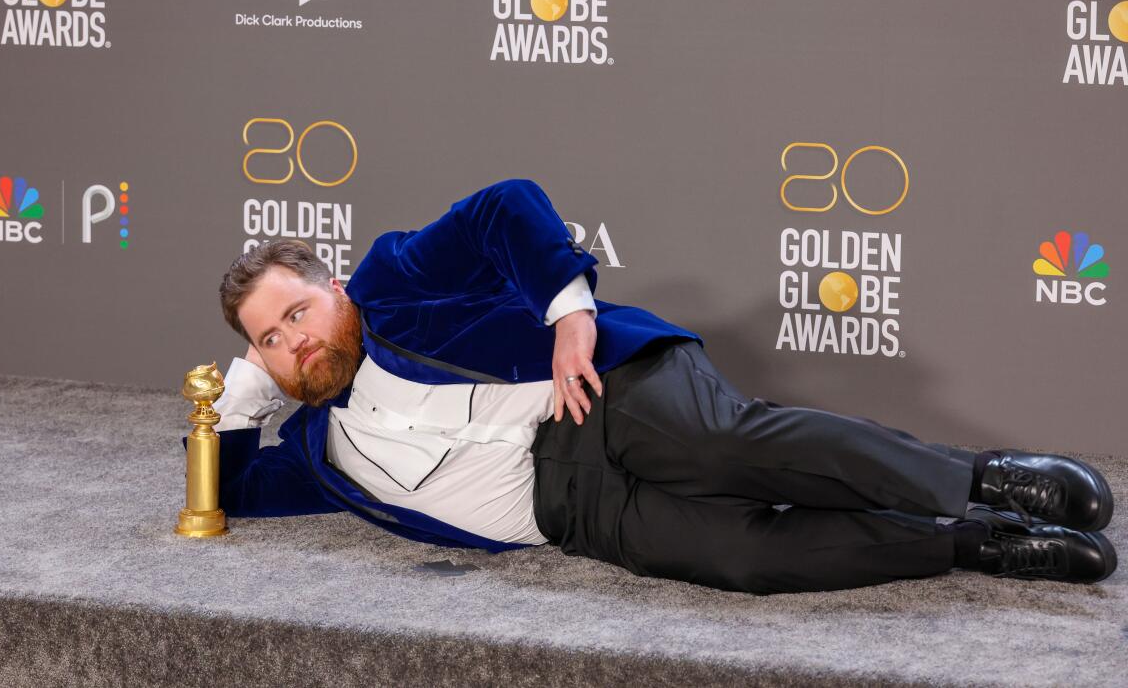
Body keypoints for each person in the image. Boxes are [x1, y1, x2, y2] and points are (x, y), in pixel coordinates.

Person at [199, 178, 1117, 594]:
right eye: (270, 340)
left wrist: (568, 313)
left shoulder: (395, 278)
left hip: (602, 392)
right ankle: (976, 544)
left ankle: (988, 478)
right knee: (748, 559)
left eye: (298, 312)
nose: (294, 341)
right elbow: (223, 487)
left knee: (736, 449)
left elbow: (503, 205)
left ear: (337, 287)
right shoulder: (317, 454)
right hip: (574, 513)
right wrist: (241, 389)